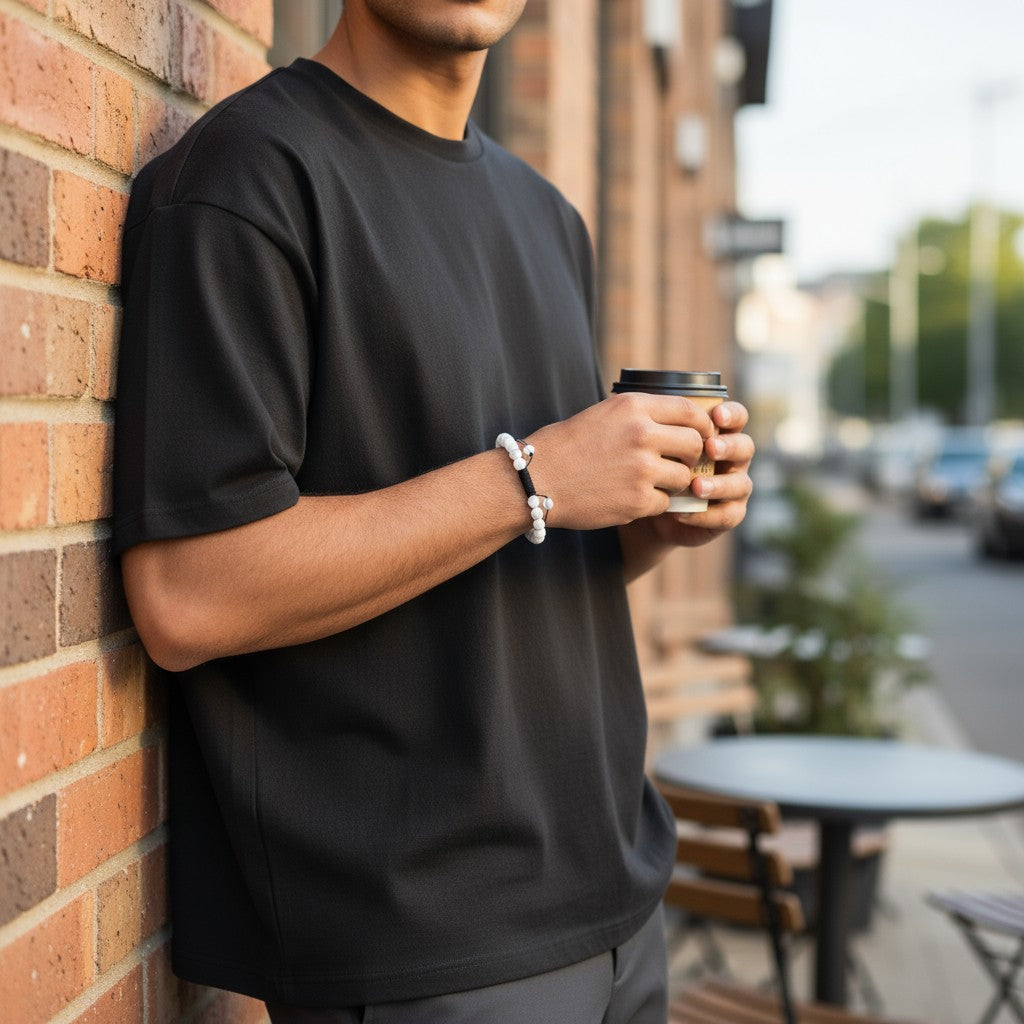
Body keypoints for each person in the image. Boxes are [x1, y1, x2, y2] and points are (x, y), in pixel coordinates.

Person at [112, 2, 755, 1022]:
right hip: (426, 944)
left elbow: (510, 547)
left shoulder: (549, 218)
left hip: (620, 900)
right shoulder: (245, 176)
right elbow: (188, 596)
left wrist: (644, 519)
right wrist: (534, 476)